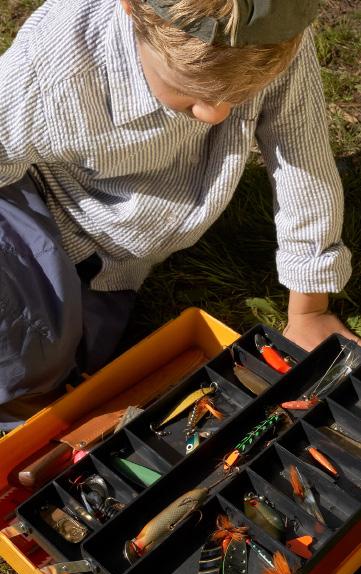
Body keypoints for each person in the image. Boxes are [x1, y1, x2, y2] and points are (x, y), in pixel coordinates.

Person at [0, 0, 358, 430]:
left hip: (109, 258)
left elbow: (304, 166)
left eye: (238, 94)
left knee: (49, 357)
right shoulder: (55, 57)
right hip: (27, 208)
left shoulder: (273, 32)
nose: (217, 114)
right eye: (191, 93)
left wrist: (309, 310)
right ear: (133, 10)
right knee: (24, 351)